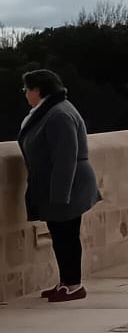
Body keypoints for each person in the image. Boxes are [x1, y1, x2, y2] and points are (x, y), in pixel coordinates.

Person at [18, 69, 101, 303]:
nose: (25, 93)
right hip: (61, 185)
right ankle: (66, 282)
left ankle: (74, 285)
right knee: (61, 235)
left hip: (68, 186)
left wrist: (60, 195)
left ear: (37, 90)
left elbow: (66, 157)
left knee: (67, 236)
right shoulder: (54, 110)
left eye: (26, 89)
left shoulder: (58, 114)